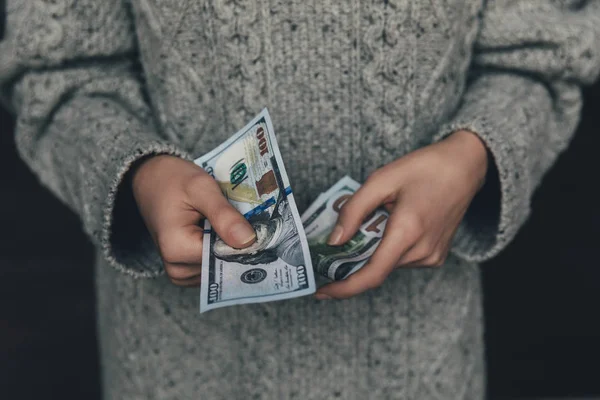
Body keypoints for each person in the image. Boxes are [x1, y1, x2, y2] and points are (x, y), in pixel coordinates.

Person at [1, 1, 598, 399]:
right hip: (178, 366)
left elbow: (541, 57)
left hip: (418, 362)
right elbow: (58, 72)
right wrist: (133, 175)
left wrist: (472, 156)